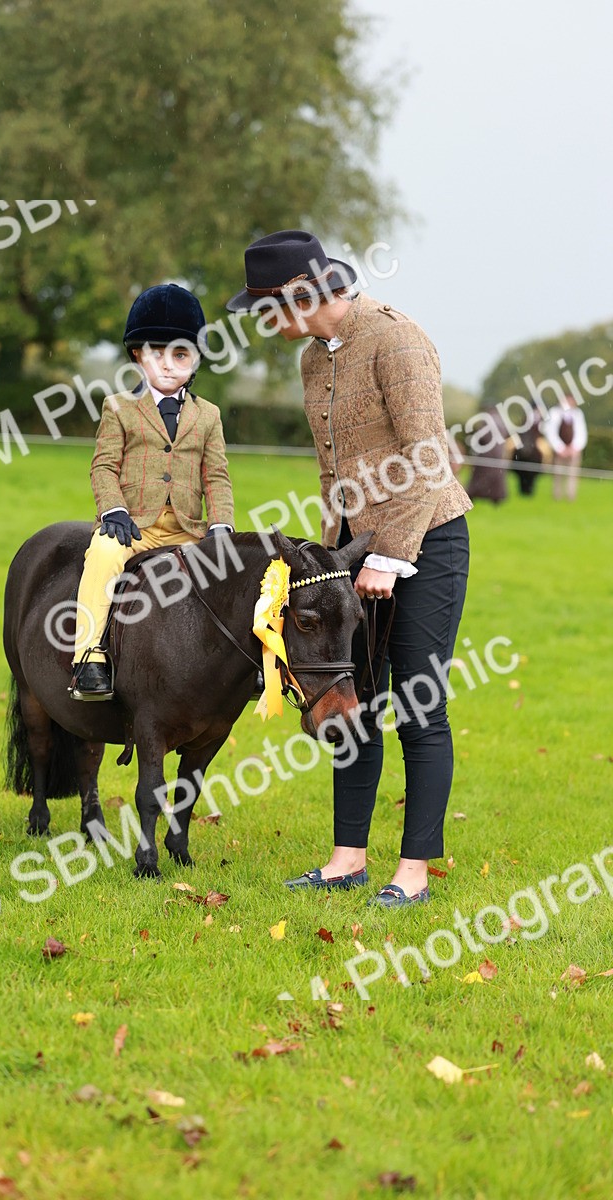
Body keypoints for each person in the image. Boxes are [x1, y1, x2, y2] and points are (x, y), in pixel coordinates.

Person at [227, 230, 472, 907]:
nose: (261, 320)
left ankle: (413, 873)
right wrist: (334, 558)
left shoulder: (397, 340)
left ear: (301, 295)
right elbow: (335, 471)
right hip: (352, 558)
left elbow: (427, 456)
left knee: (420, 708)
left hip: (429, 542)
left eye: (265, 306)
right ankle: (346, 860)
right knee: (349, 704)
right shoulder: (312, 358)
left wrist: (393, 556)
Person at [69, 284, 234, 699]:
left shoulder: (208, 416)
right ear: (137, 355)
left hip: (187, 527)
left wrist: (221, 526)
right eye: (156, 353)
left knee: (238, 570)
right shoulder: (118, 408)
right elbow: (104, 465)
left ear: (196, 360)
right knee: (103, 557)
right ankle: (88, 656)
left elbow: (216, 476)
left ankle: (243, 667)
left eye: (180, 355)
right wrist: (113, 511)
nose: (167, 365)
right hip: (133, 526)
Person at [544, 394, 587, 501]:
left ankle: (571, 496)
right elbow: (550, 432)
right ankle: (557, 496)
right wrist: (560, 448)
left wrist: (575, 447)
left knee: (572, 474)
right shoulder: (554, 413)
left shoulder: (578, 414)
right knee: (558, 474)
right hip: (559, 451)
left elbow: (581, 432)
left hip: (574, 451)